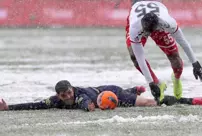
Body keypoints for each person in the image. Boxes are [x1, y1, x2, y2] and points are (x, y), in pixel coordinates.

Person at [126, 0, 202, 104]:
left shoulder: (168, 23)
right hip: (141, 21)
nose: (148, 35)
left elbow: (183, 42)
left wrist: (195, 63)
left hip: (157, 22)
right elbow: (140, 57)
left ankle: (176, 79)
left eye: (150, 32)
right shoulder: (134, 28)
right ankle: (158, 83)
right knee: (134, 57)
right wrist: (151, 83)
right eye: (146, 32)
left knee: (175, 58)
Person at [1, 80, 202, 111]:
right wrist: (9, 107)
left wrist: (87, 106)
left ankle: (190, 100)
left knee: (152, 103)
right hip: (103, 90)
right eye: (64, 95)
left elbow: (85, 100)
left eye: (69, 92)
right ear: (59, 96)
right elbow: (35, 105)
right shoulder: (56, 100)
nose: (68, 96)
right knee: (134, 98)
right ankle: (135, 89)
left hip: (112, 93)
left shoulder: (81, 95)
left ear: (72, 89)